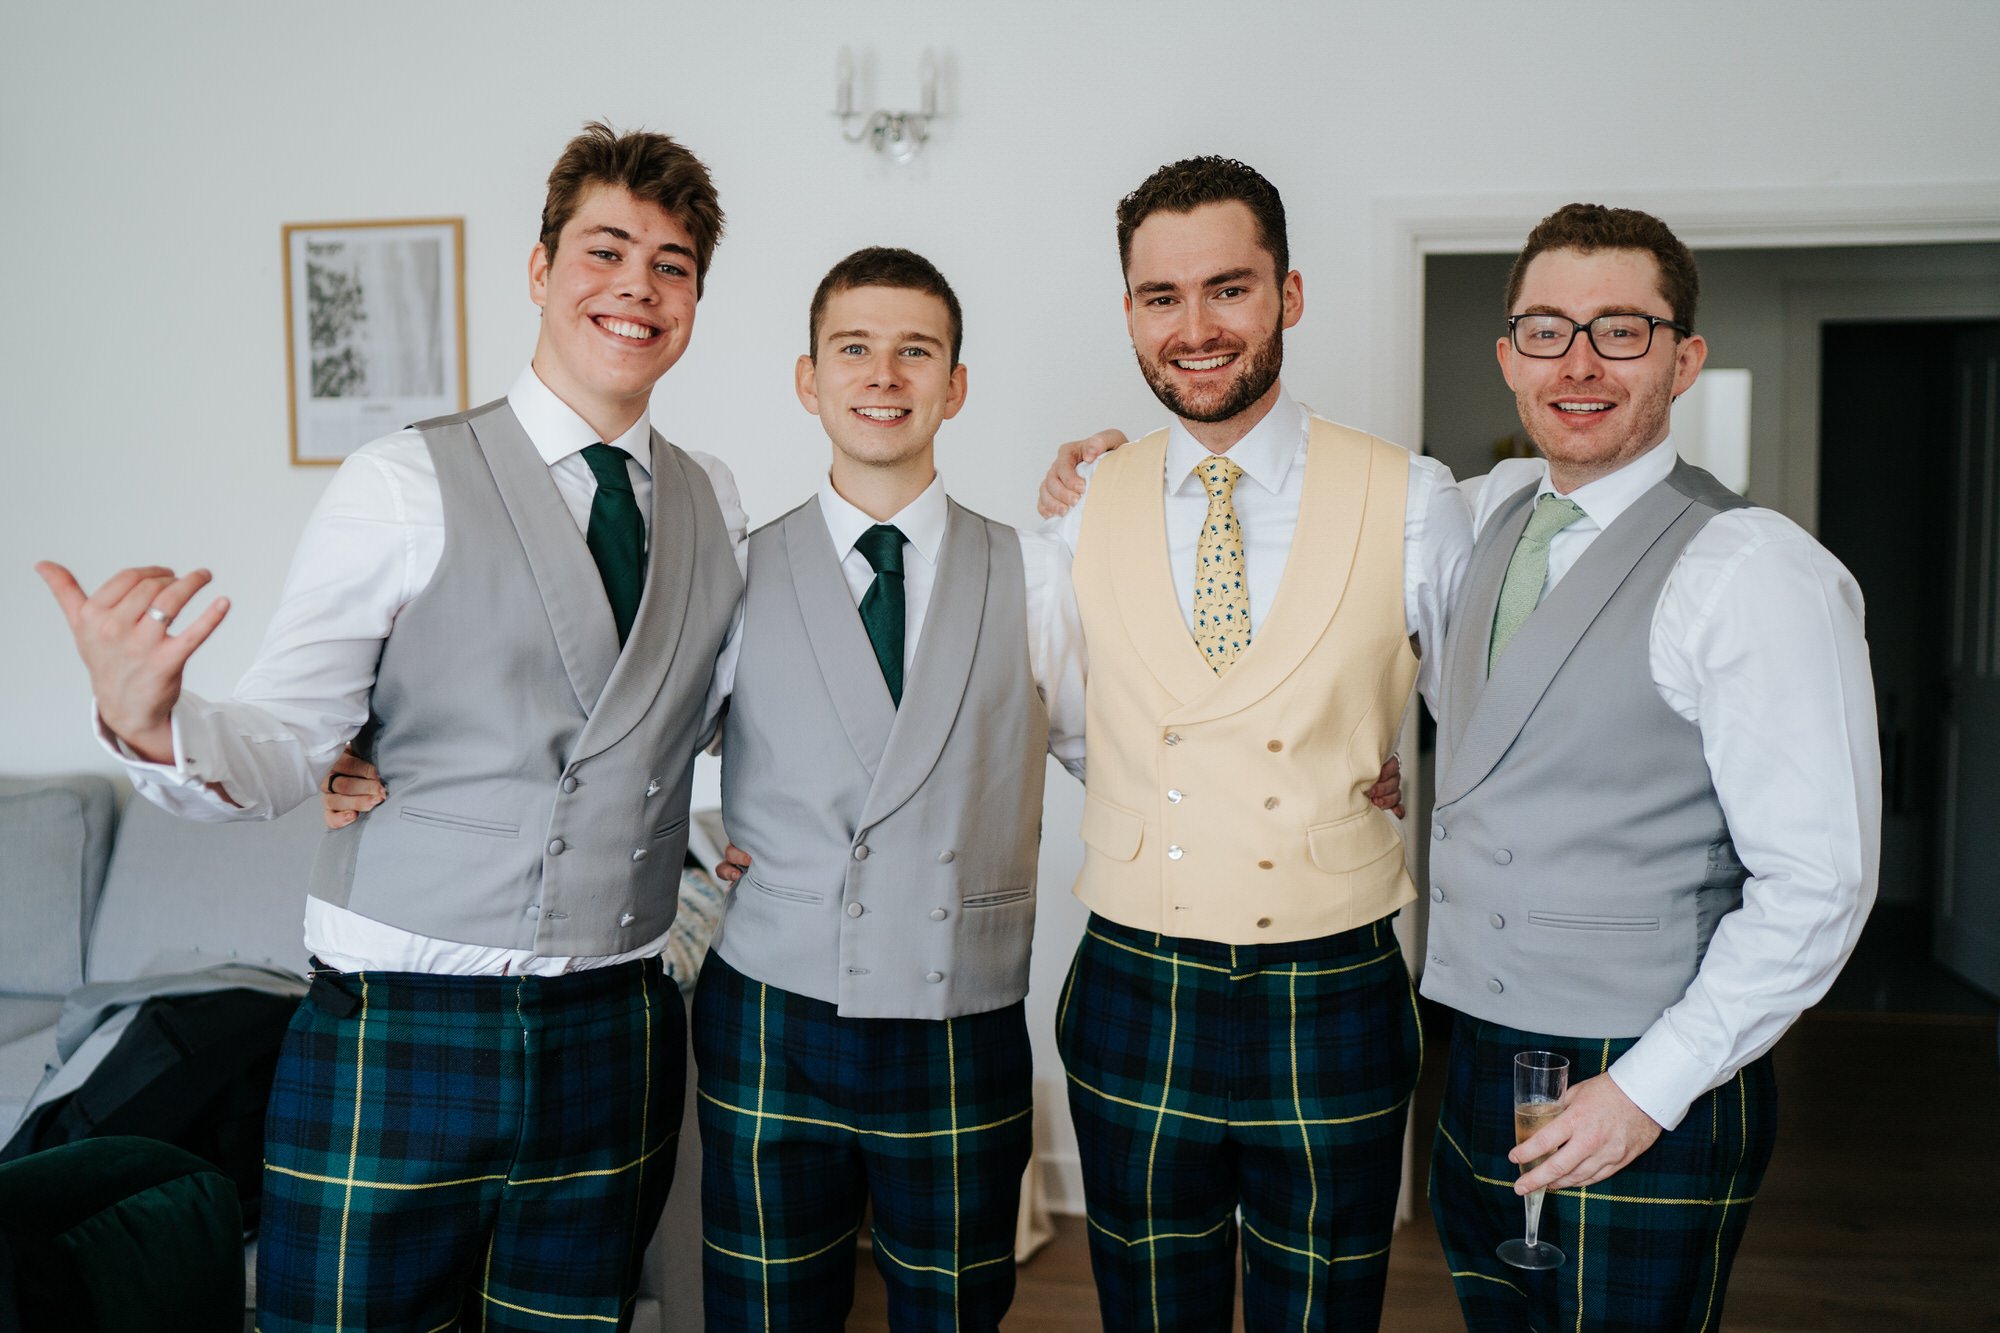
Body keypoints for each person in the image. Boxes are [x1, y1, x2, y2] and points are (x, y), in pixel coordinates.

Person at [36, 122, 747, 1330]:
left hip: (617, 1032)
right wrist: (153, 719)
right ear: (539, 269)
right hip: (406, 1025)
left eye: (671, 265)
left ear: (693, 301)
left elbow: (716, 715)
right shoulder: (400, 483)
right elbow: (283, 740)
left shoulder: (713, 496)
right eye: (606, 250)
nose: (637, 286)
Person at [1420, 203, 1878, 1331]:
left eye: (1619, 330)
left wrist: (1646, 1088)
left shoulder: (1754, 570)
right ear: (1505, 357)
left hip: (1643, 1067)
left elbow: (1819, 882)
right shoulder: (1468, 517)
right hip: (1472, 1057)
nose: (1577, 363)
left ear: (1682, 359)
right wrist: (1095, 478)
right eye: (1545, 330)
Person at [1039, 156, 1469, 1331]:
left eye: (1227, 289)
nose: (1193, 329)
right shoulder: (1081, 505)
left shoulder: (1415, 499)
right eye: (1158, 297)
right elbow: (1081, 727)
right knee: (1146, 1312)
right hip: (1138, 978)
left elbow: (1492, 718)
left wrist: (1363, 777)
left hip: (1332, 986)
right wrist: (1184, 795)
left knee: (1326, 1310)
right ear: (1128, 308)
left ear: (1288, 294)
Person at [691, 247, 1088, 1332]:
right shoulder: (732, 567)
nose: (883, 375)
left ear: (954, 385)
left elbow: (1123, 762)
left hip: (959, 1012)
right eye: (852, 348)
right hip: (769, 1010)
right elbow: (633, 749)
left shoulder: (1037, 572)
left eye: (915, 350)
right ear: (807, 378)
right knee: (765, 1313)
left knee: (955, 1313)